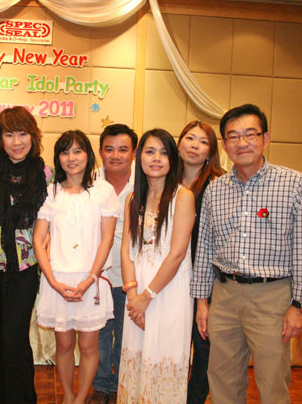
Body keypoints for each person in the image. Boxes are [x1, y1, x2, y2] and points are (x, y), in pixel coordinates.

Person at [191, 104, 302, 404]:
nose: (242, 143)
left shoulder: (294, 184)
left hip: (272, 297)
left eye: (250, 134)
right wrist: (202, 302)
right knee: (222, 379)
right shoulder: (215, 190)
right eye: (233, 136)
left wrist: (299, 305)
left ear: (266, 138)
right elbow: (205, 248)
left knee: (272, 381)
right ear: (225, 145)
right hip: (224, 294)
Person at [0, 106, 53, 404]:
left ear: (33, 136)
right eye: (9, 135)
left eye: (22, 133)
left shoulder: (46, 174)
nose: (16, 142)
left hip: (24, 265)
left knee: (15, 338)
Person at [33, 130, 118, 404]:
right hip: (57, 280)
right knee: (64, 345)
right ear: (58, 158)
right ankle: (68, 396)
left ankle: (81, 398)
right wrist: (52, 281)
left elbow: (107, 239)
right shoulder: (51, 192)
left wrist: (91, 278)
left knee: (89, 345)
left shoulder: (103, 191)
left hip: (91, 280)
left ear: (88, 155)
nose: (71, 158)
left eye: (78, 151)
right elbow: (38, 239)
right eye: (65, 152)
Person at [118, 129, 195, 403]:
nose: (156, 159)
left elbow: (177, 254)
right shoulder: (132, 199)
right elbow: (126, 251)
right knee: (136, 357)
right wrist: (132, 296)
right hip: (136, 291)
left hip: (169, 290)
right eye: (150, 152)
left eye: (163, 153)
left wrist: (147, 297)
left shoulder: (183, 196)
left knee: (164, 357)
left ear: (172, 159)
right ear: (139, 157)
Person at [87, 124, 137, 404]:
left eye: (123, 149)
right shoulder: (89, 182)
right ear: (100, 151)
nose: (115, 156)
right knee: (100, 336)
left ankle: (120, 386)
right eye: (109, 149)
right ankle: (101, 385)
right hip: (98, 275)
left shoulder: (145, 183)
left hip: (132, 276)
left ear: (134, 152)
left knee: (127, 336)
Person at [177, 120, 224, 404]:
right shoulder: (165, 178)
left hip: (205, 278)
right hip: (171, 277)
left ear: (211, 151)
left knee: (203, 344)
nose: (194, 146)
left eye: (203, 141)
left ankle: (193, 399)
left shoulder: (219, 184)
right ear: (179, 143)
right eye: (189, 138)